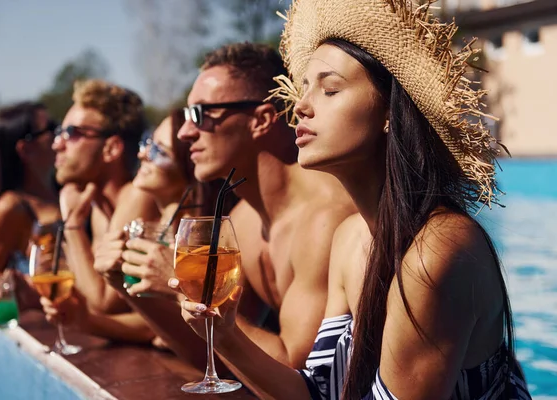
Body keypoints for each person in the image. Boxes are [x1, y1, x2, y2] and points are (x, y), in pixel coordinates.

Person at [177, 1, 532, 399]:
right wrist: (225, 335)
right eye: (304, 89)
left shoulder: (437, 249)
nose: (302, 107)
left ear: (387, 111)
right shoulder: (351, 238)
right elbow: (316, 392)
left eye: (329, 90)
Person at [112, 42, 356, 370]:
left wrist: (186, 288)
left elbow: (296, 371)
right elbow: (217, 356)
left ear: (260, 121)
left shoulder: (326, 218)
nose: (185, 132)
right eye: (186, 116)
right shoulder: (241, 221)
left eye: (200, 114)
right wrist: (125, 287)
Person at [42, 109, 234, 345]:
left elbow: (199, 327)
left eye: (159, 151)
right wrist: (85, 320)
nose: (143, 154)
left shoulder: (196, 236)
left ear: (189, 161)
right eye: (147, 143)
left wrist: (73, 227)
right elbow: (154, 323)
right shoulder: (161, 224)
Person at [52, 79, 159, 314]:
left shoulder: (137, 196)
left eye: (72, 133)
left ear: (111, 149)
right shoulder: (99, 207)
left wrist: (72, 226)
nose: (57, 144)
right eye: (60, 132)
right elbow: (85, 286)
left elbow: (103, 303)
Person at [0, 101, 60, 275]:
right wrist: (32, 276)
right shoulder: (10, 209)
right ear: (25, 149)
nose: (60, 135)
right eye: (51, 128)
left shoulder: (67, 190)